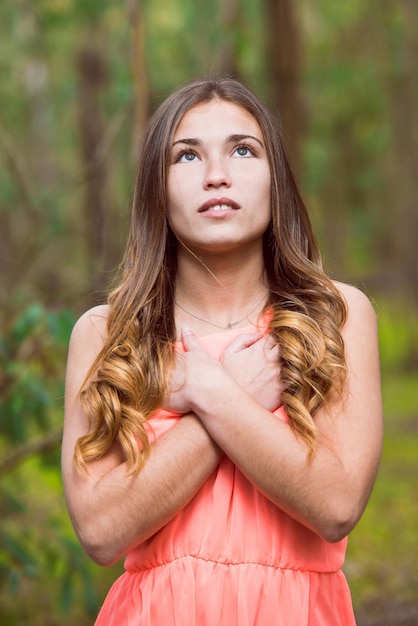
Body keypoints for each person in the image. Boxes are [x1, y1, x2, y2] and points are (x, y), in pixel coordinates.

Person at [62, 77, 382, 625]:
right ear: (155, 191)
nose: (217, 174)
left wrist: (205, 389)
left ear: (274, 181)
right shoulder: (107, 335)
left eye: (242, 149)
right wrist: (232, 392)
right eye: (186, 155)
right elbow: (100, 530)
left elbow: (336, 506)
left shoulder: (337, 316)